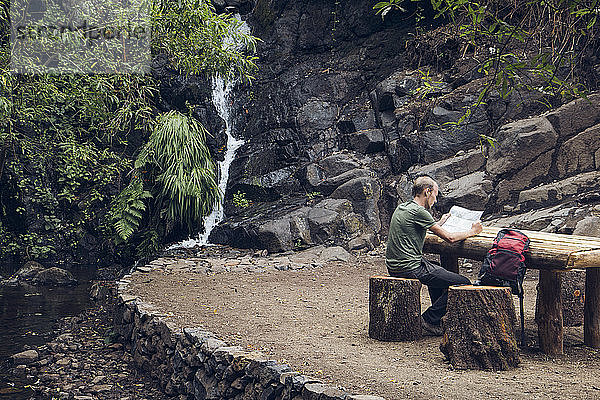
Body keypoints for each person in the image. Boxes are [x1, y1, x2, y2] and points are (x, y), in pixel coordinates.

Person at [385, 175, 483, 336]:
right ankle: (430, 319)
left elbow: (419, 227)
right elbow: (450, 238)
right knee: (463, 282)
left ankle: (436, 319)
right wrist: (473, 231)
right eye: (435, 195)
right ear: (427, 191)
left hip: (396, 264)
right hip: (409, 267)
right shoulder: (420, 212)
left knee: (437, 269)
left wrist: (440, 223)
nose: (435, 200)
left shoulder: (404, 207)